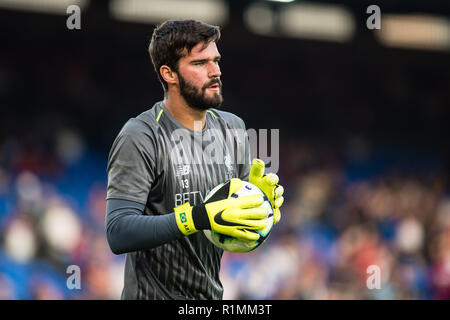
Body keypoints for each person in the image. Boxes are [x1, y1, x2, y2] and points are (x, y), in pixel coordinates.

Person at [105, 19, 284, 300]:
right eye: (201, 63)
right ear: (169, 74)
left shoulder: (233, 128)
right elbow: (118, 232)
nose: (216, 71)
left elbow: (234, 234)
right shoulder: (141, 135)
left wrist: (262, 215)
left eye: (216, 60)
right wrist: (197, 217)